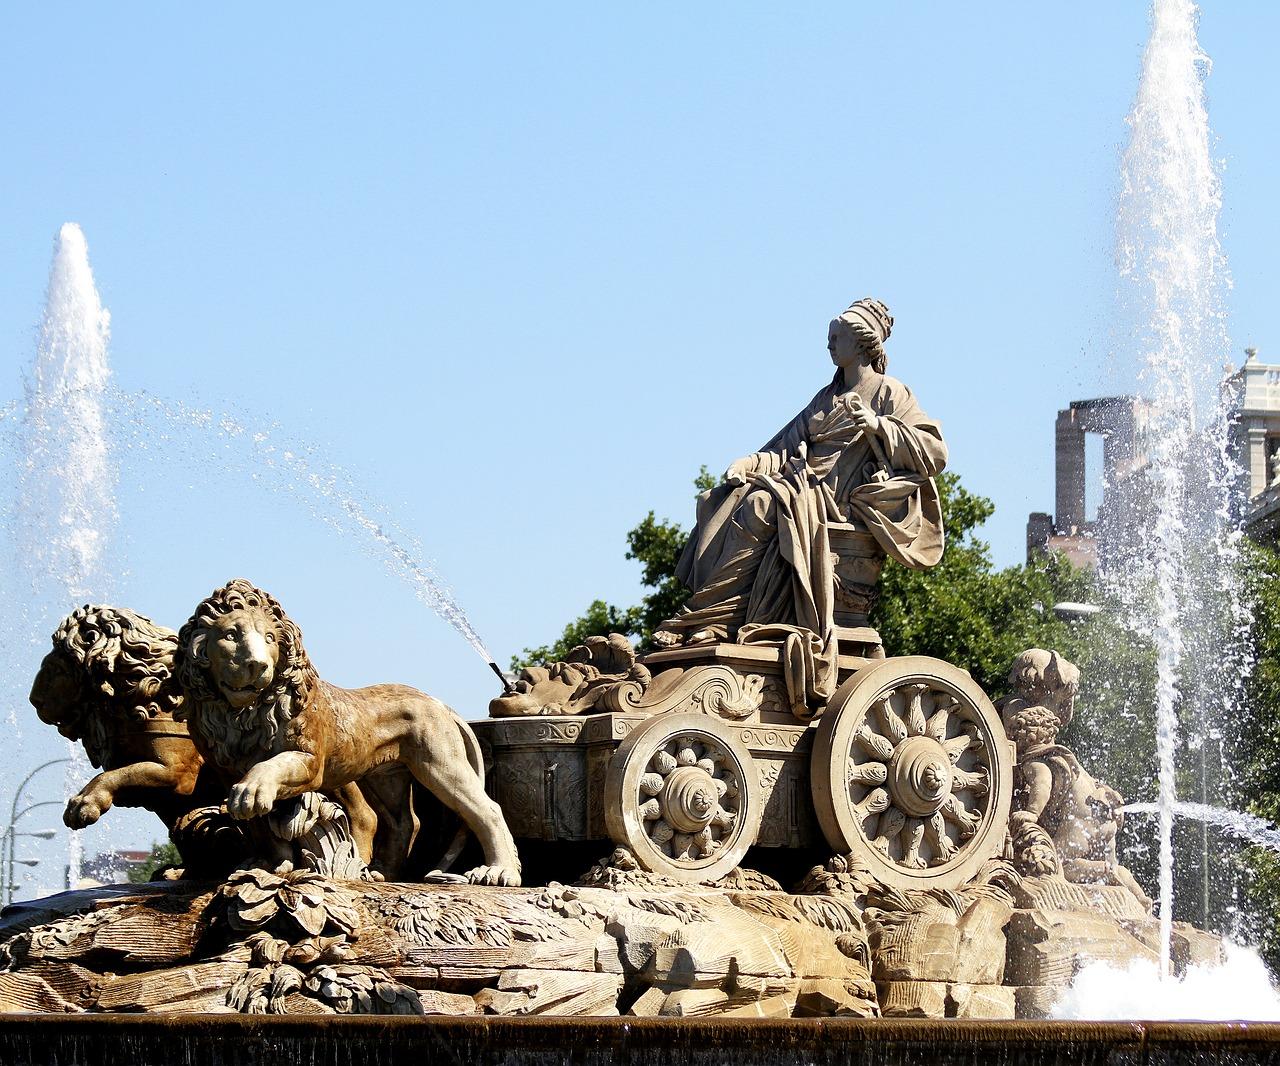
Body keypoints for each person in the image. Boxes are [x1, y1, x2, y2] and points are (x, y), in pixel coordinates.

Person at [653, 298, 947, 716]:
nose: (829, 344)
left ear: (862, 343)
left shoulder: (889, 392)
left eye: (836, 336)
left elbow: (935, 451)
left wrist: (878, 425)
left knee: (761, 505)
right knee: (725, 499)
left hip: (839, 503)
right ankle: (711, 618)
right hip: (805, 487)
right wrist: (749, 463)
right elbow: (785, 449)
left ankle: (710, 618)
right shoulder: (825, 397)